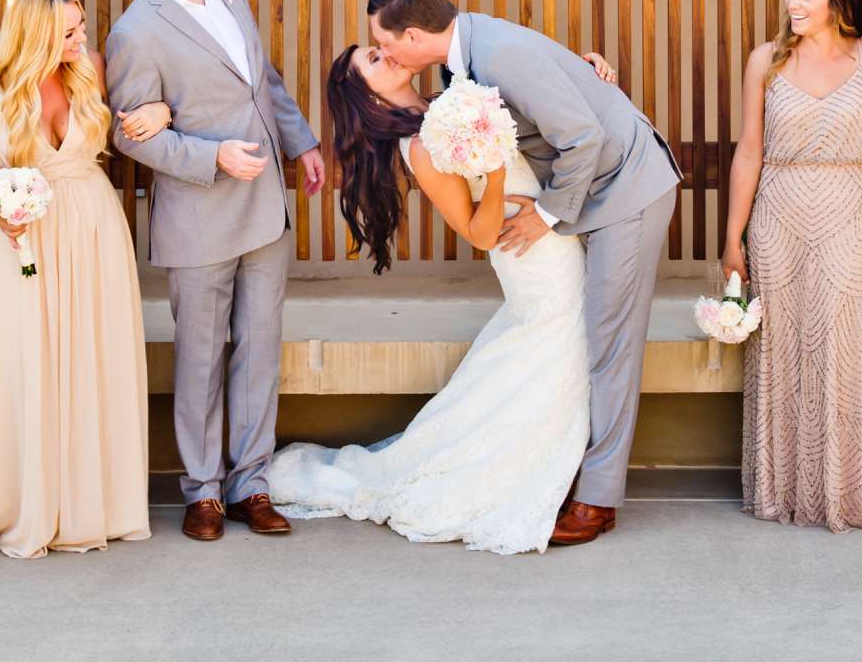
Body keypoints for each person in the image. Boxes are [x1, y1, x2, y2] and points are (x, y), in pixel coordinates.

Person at [264, 41, 619, 553]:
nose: (384, 55)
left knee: (551, 350)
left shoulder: (449, 101)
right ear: (367, 96)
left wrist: (584, 71)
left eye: (379, 49)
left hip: (552, 233)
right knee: (558, 343)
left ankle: (559, 470)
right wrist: (497, 177)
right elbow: (476, 231)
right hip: (527, 250)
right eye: (372, 61)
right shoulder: (418, 146)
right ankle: (536, 475)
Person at [365, 0, 682, 548]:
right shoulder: (466, 54)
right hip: (595, 189)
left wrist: (549, 215)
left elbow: (582, 136)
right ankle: (567, 471)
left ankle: (598, 498)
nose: (384, 54)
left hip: (627, 190)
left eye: (384, 45)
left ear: (412, 35)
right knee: (593, 337)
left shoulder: (498, 54)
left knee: (610, 341)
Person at [104, 0, 326, 543]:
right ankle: (201, 491)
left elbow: (263, 81)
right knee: (201, 356)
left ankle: (250, 483)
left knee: (259, 349)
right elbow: (134, 137)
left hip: (263, 211)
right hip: (199, 213)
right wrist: (213, 156)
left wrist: (301, 142)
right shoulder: (135, 33)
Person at [0, 0, 150, 558]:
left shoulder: (90, 67)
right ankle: (25, 504)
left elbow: (139, 113)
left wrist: (157, 108)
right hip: (20, 239)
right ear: (35, 32)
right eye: (69, 30)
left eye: (81, 25)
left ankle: (96, 503)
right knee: (24, 362)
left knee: (94, 357)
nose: (82, 36)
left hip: (92, 228)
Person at [720, 0, 862, 533]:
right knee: (785, 350)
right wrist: (733, 240)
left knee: (844, 344)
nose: (793, 5)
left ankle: (845, 493)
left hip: (848, 210)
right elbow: (750, 151)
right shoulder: (765, 61)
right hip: (778, 213)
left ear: (838, 0)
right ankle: (784, 489)